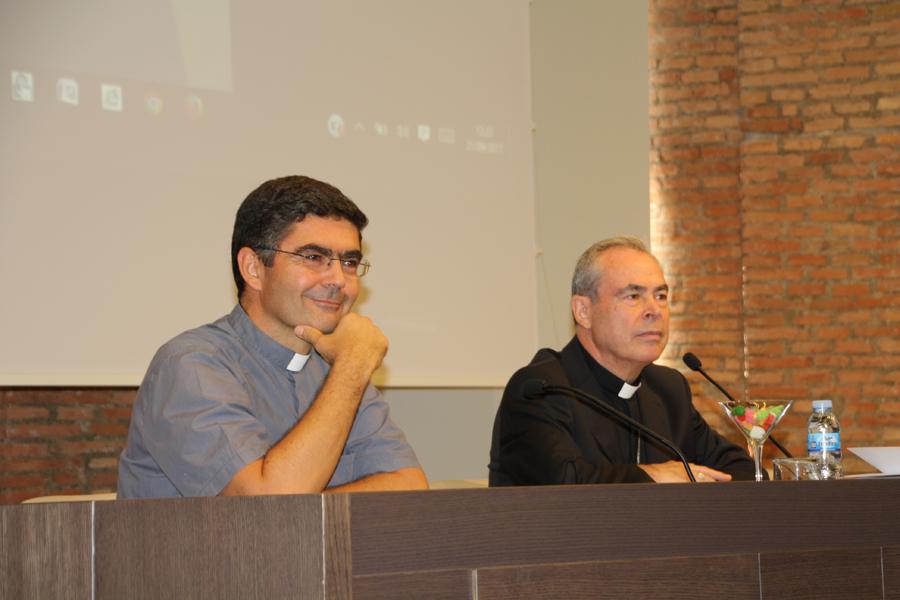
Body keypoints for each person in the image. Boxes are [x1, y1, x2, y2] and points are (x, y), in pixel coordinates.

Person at [118, 175, 428, 497]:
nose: (338, 279)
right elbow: (267, 510)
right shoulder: (190, 364)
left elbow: (409, 487)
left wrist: (302, 503)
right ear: (253, 268)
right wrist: (351, 366)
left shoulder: (335, 370)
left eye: (349, 262)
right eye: (313, 258)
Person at [489, 237, 756, 485]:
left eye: (661, 296)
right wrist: (653, 475)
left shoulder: (668, 389)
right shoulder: (541, 389)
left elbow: (739, 469)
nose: (654, 311)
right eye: (633, 296)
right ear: (583, 311)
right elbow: (565, 479)